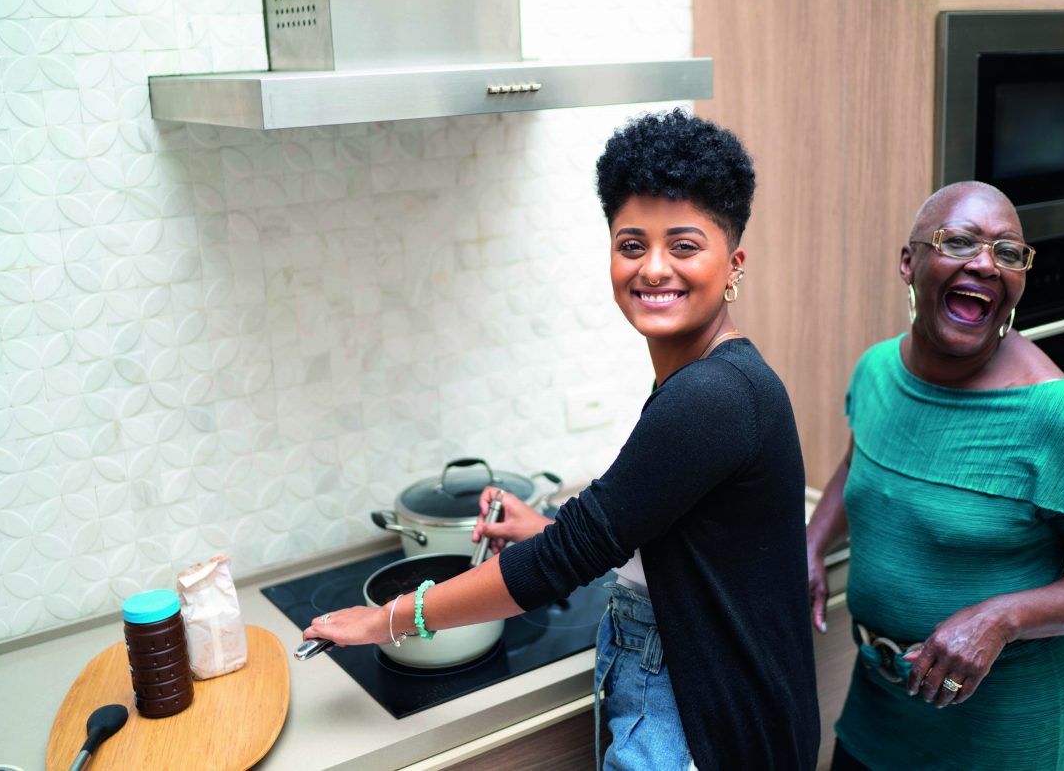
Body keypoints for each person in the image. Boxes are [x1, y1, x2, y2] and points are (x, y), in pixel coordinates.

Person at [304, 109, 821, 771]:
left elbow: (568, 557)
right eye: (631, 245)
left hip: (698, 728)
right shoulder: (710, 377)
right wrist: (545, 527)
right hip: (718, 708)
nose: (653, 268)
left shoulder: (711, 396)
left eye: (684, 246)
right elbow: (669, 541)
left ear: (733, 265)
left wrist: (389, 619)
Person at [805, 181, 1064, 771]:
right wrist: (812, 543)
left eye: (1008, 252)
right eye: (959, 241)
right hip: (876, 714)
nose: (986, 264)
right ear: (908, 262)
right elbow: (857, 466)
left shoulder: (1058, 419)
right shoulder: (876, 371)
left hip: (1001, 738)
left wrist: (1000, 619)